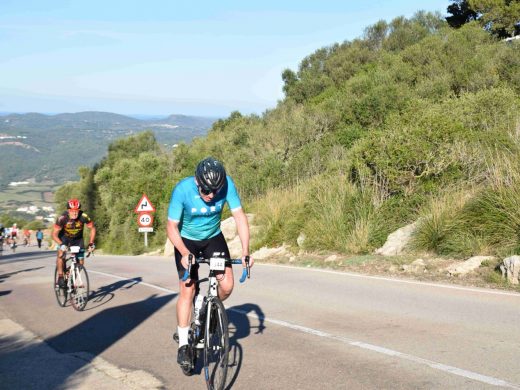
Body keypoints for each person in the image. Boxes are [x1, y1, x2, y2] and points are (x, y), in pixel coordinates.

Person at [166, 157, 254, 369]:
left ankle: (207, 309)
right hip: (187, 240)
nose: (212, 195)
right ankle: (184, 344)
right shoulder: (182, 190)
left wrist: (245, 251)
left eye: (216, 191)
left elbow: (240, 217)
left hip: (213, 237)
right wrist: (185, 253)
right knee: (188, 289)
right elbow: (171, 227)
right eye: (206, 191)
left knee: (227, 285)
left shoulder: (227, 185)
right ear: (197, 182)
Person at [51, 199, 96, 288]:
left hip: (77, 240)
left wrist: (91, 243)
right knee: (61, 255)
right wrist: (61, 244)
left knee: (81, 262)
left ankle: (72, 279)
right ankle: (60, 277)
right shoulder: (62, 218)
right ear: (68, 210)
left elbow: (93, 228)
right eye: (72, 211)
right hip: (64, 238)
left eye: (77, 211)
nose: (75, 213)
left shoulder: (84, 216)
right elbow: (54, 234)